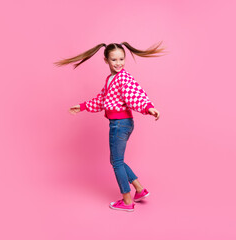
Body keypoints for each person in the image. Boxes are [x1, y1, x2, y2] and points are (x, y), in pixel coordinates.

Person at [54, 42, 166, 212]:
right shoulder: (110, 79)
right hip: (121, 123)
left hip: (120, 124)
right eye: (114, 59)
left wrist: (148, 107)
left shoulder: (123, 78)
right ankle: (140, 189)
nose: (118, 63)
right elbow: (102, 100)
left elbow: (135, 95)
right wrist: (82, 106)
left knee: (117, 162)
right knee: (116, 160)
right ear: (106, 60)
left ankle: (127, 201)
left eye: (121, 59)